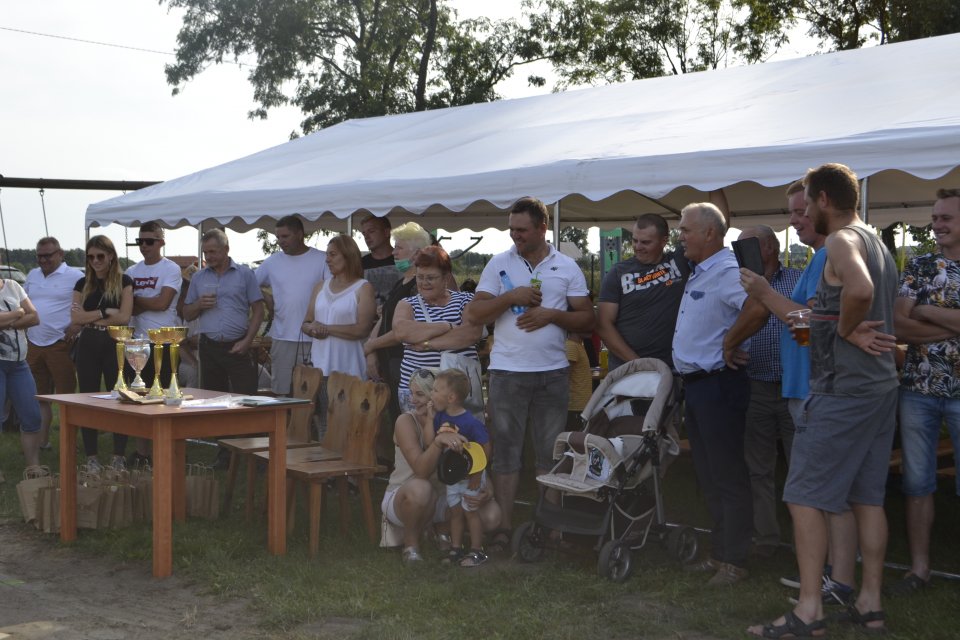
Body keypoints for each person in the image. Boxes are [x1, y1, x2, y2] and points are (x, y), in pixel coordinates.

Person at [749, 163, 899, 638]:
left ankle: (810, 610)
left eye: (808, 202)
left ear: (824, 200)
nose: (804, 212)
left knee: (803, 497)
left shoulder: (841, 241)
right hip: (879, 387)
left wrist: (846, 329)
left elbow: (860, 290)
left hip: (841, 390)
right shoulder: (876, 241)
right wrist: (840, 323)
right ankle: (870, 604)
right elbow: (837, 308)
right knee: (866, 498)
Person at [729, 181, 858, 606]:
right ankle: (828, 573)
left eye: (801, 212)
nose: (795, 220)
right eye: (791, 213)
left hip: (812, 388)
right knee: (812, 486)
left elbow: (812, 326)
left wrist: (770, 301)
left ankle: (828, 579)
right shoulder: (823, 258)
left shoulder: (824, 258)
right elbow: (812, 328)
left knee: (816, 490)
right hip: (788, 386)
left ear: (823, 206)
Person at [464, 196, 594, 551]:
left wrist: (553, 315)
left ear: (542, 228)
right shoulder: (498, 263)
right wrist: (511, 297)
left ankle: (550, 528)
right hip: (507, 373)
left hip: (553, 374)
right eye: (511, 229)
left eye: (522, 230)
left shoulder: (566, 266)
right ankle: (504, 527)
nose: (515, 235)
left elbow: (588, 319)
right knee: (506, 453)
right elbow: (474, 315)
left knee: (550, 455)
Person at [672, 202, 753, 587]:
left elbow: (758, 307)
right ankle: (720, 553)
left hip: (719, 385)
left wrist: (731, 341)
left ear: (709, 233)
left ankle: (735, 561)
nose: (680, 237)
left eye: (685, 230)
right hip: (699, 387)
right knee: (708, 474)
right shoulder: (702, 270)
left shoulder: (727, 271)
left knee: (727, 474)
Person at [890, 187, 960, 597]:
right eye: (934, 218)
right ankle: (919, 570)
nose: (937, 225)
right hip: (918, 388)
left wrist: (927, 311)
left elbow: (913, 318)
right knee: (916, 483)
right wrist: (952, 325)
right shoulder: (918, 265)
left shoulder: (921, 278)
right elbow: (898, 325)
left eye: (945, 218)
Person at [382, 368, 501, 565]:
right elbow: (421, 471)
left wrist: (486, 489)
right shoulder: (406, 421)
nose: (413, 400)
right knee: (422, 489)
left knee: (492, 515)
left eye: (420, 394)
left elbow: (478, 457)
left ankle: (441, 531)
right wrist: (438, 442)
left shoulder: (458, 421)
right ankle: (411, 545)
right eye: (412, 393)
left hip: (444, 495)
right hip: (405, 496)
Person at [733, 225, 800, 557]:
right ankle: (766, 538)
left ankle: (806, 540)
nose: (740, 254)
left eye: (746, 247)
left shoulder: (798, 280)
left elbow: (808, 323)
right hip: (756, 385)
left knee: (800, 468)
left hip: (793, 389)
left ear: (770, 248)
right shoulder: (737, 285)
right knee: (759, 468)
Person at [302, 235, 376, 438]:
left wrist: (326, 328)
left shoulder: (363, 288)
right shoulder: (320, 287)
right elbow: (306, 322)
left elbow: (362, 329)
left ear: (348, 255)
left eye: (333, 254)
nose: (328, 259)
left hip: (349, 368)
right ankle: (324, 457)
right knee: (324, 424)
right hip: (320, 368)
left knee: (350, 426)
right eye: (327, 255)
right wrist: (312, 329)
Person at [393, 246, 482, 413]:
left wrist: (427, 344)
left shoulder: (466, 300)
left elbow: (470, 334)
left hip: (456, 394)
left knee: (457, 431)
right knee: (416, 430)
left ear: (446, 277)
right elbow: (402, 331)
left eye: (431, 278)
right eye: (420, 277)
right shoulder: (406, 304)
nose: (424, 283)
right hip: (416, 393)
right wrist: (447, 326)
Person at [70, 235, 134, 472]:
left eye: (100, 256)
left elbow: (124, 317)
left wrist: (90, 317)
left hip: (115, 342)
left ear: (111, 256)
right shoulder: (82, 283)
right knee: (87, 399)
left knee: (120, 398)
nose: (95, 261)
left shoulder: (124, 281)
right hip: (88, 343)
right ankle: (92, 457)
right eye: (90, 257)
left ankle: (119, 456)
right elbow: (75, 319)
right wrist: (104, 311)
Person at [597, 213, 689, 371]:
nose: (638, 247)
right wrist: (639, 364)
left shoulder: (679, 261)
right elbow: (603, 325)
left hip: (674, 367)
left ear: (664, 241)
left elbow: (714, 227)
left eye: (645, 242)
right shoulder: (618, 272)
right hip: (628, 369)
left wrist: (716, 192)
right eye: (635, 240)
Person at [182, 229, 264, 394]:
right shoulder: (198, 277)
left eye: (213, 251)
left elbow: (259, 310)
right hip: (209, 348)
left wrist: (248, 340)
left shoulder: (245, 274)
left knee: (246, 399)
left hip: (239, 346)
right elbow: (187, 314)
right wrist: (198, 305)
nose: (208, 257)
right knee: (213, 400)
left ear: (226, 249)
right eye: (205, 252)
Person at [126, 222, 182, 462]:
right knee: (140, 397)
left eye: (149, 241)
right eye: (140, 241)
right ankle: (142, 452)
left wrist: (137, 300)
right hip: (137, 342)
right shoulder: (131, 270)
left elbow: (162, 303)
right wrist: (146, 301)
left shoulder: (171, 269)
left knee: (166, 398)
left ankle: (165, 449)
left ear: (161, 242)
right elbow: (128, 305)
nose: (144, 246)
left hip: (164, 342)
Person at [364, 221, 433, 413]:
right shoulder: (401, 282)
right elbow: (384, 318)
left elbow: (404, 331)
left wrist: (372, 345)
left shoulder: (418, 286)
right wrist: (371, 349)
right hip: (390, 365)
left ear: (417, 254)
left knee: (409, 418)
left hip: (406, 365)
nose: (394, 253)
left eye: (399, 248)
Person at [256, 215, 330, 395]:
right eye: (278, 237)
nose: (281, 241)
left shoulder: (322, 259)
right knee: (282, 391)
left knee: (314, 392)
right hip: (282, 337)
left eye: (285, 236)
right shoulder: (272, 262)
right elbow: (249, 285)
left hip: (315, 337)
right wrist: (265, 296)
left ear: (299, 234)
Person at [24, 236, 83, 451]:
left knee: (67, 399)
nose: (43, 260)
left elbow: (87, 305)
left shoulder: (76, 276)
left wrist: (77, 326)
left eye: (48, 255)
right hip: (33, 343)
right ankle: (42, 442)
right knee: (39, 397)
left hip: (61, 344)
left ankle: (70, 445)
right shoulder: (32, 275)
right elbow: (24, 303)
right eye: (39, 256)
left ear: (60, 254)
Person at [429, 368, 492, 567]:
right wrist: (430, 418)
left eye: (435, 390)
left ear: (451, 397)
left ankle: (477, 551)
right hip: (453, 476)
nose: (432, 394)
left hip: (471, 476)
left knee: (471, 512)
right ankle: (456, 548)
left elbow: (485, 448)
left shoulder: (470, 422)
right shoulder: (439, 418)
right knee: (455, 512)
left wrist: (477, 475)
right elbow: (431, 441)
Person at [0, 275, 43, 471]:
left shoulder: (13, 285)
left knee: (32, 416)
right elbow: (25, 313)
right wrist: (18, 312)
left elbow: (34, 317)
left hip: (19, 364)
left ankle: (33, 467)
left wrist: (8, 322)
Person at [360, 215, 400, 311]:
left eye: (371, 231)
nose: (366, 237)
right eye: (364, 233)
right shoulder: (360, 264)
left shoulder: (402, 259)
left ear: (386, 232)